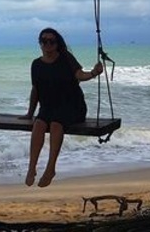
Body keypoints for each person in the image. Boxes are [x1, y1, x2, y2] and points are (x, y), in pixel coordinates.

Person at [23, 27, 103, 188]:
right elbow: (35, 90)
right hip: (49, 107)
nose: (47, 44)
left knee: (56, 124)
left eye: (51, 41)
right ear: (40, 43)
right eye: (44, 41)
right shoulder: (36, 64)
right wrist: (30, 113)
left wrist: (93, 73)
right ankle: (31, 168)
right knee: (38, 124)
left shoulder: (66, 58)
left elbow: (80, 75)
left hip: (72, 105)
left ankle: (50, 168)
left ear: (57, 43)